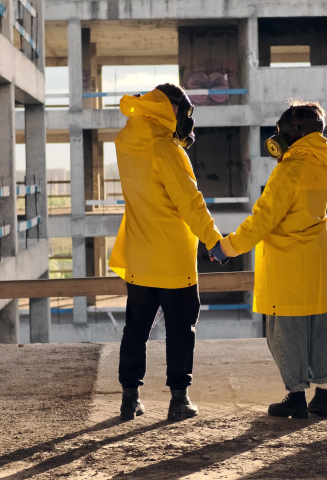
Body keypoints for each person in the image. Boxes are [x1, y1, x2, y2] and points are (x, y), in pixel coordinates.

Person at [210, 100, 327, 419]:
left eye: (281, 130)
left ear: (293, 133)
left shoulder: (290, 169)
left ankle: (296, 397)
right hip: (316, 262)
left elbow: (263, 219)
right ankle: (322, 397)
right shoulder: (320, 164)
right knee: (317, 328)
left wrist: (227, 247)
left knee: (284, 333)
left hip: (288, 264)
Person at [109, 84, 223, 422]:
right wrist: (213, 239)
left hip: (141, 260)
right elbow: (190, 201)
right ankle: (179, 400)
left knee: (135, 330)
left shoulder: (128, 144)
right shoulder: (165, 149)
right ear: (169, 110)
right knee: (180, 330)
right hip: (174, 261)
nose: (188, 121)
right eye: (185, 113)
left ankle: (129, 400)